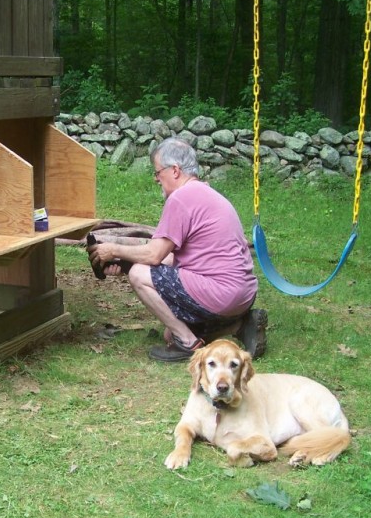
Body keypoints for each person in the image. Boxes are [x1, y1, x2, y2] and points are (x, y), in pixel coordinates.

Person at [87, 137, 267, 362]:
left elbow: (154, 254)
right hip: (243, 295)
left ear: (174, 170)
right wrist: (124, 264)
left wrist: (113, 250)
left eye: (157, 172)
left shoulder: (181, 198)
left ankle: (188, 343)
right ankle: (239, 325)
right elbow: (173, 258)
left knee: (139, 275)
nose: (156, 179)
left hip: (221, 294)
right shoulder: (207, 194)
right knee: (169, 334)